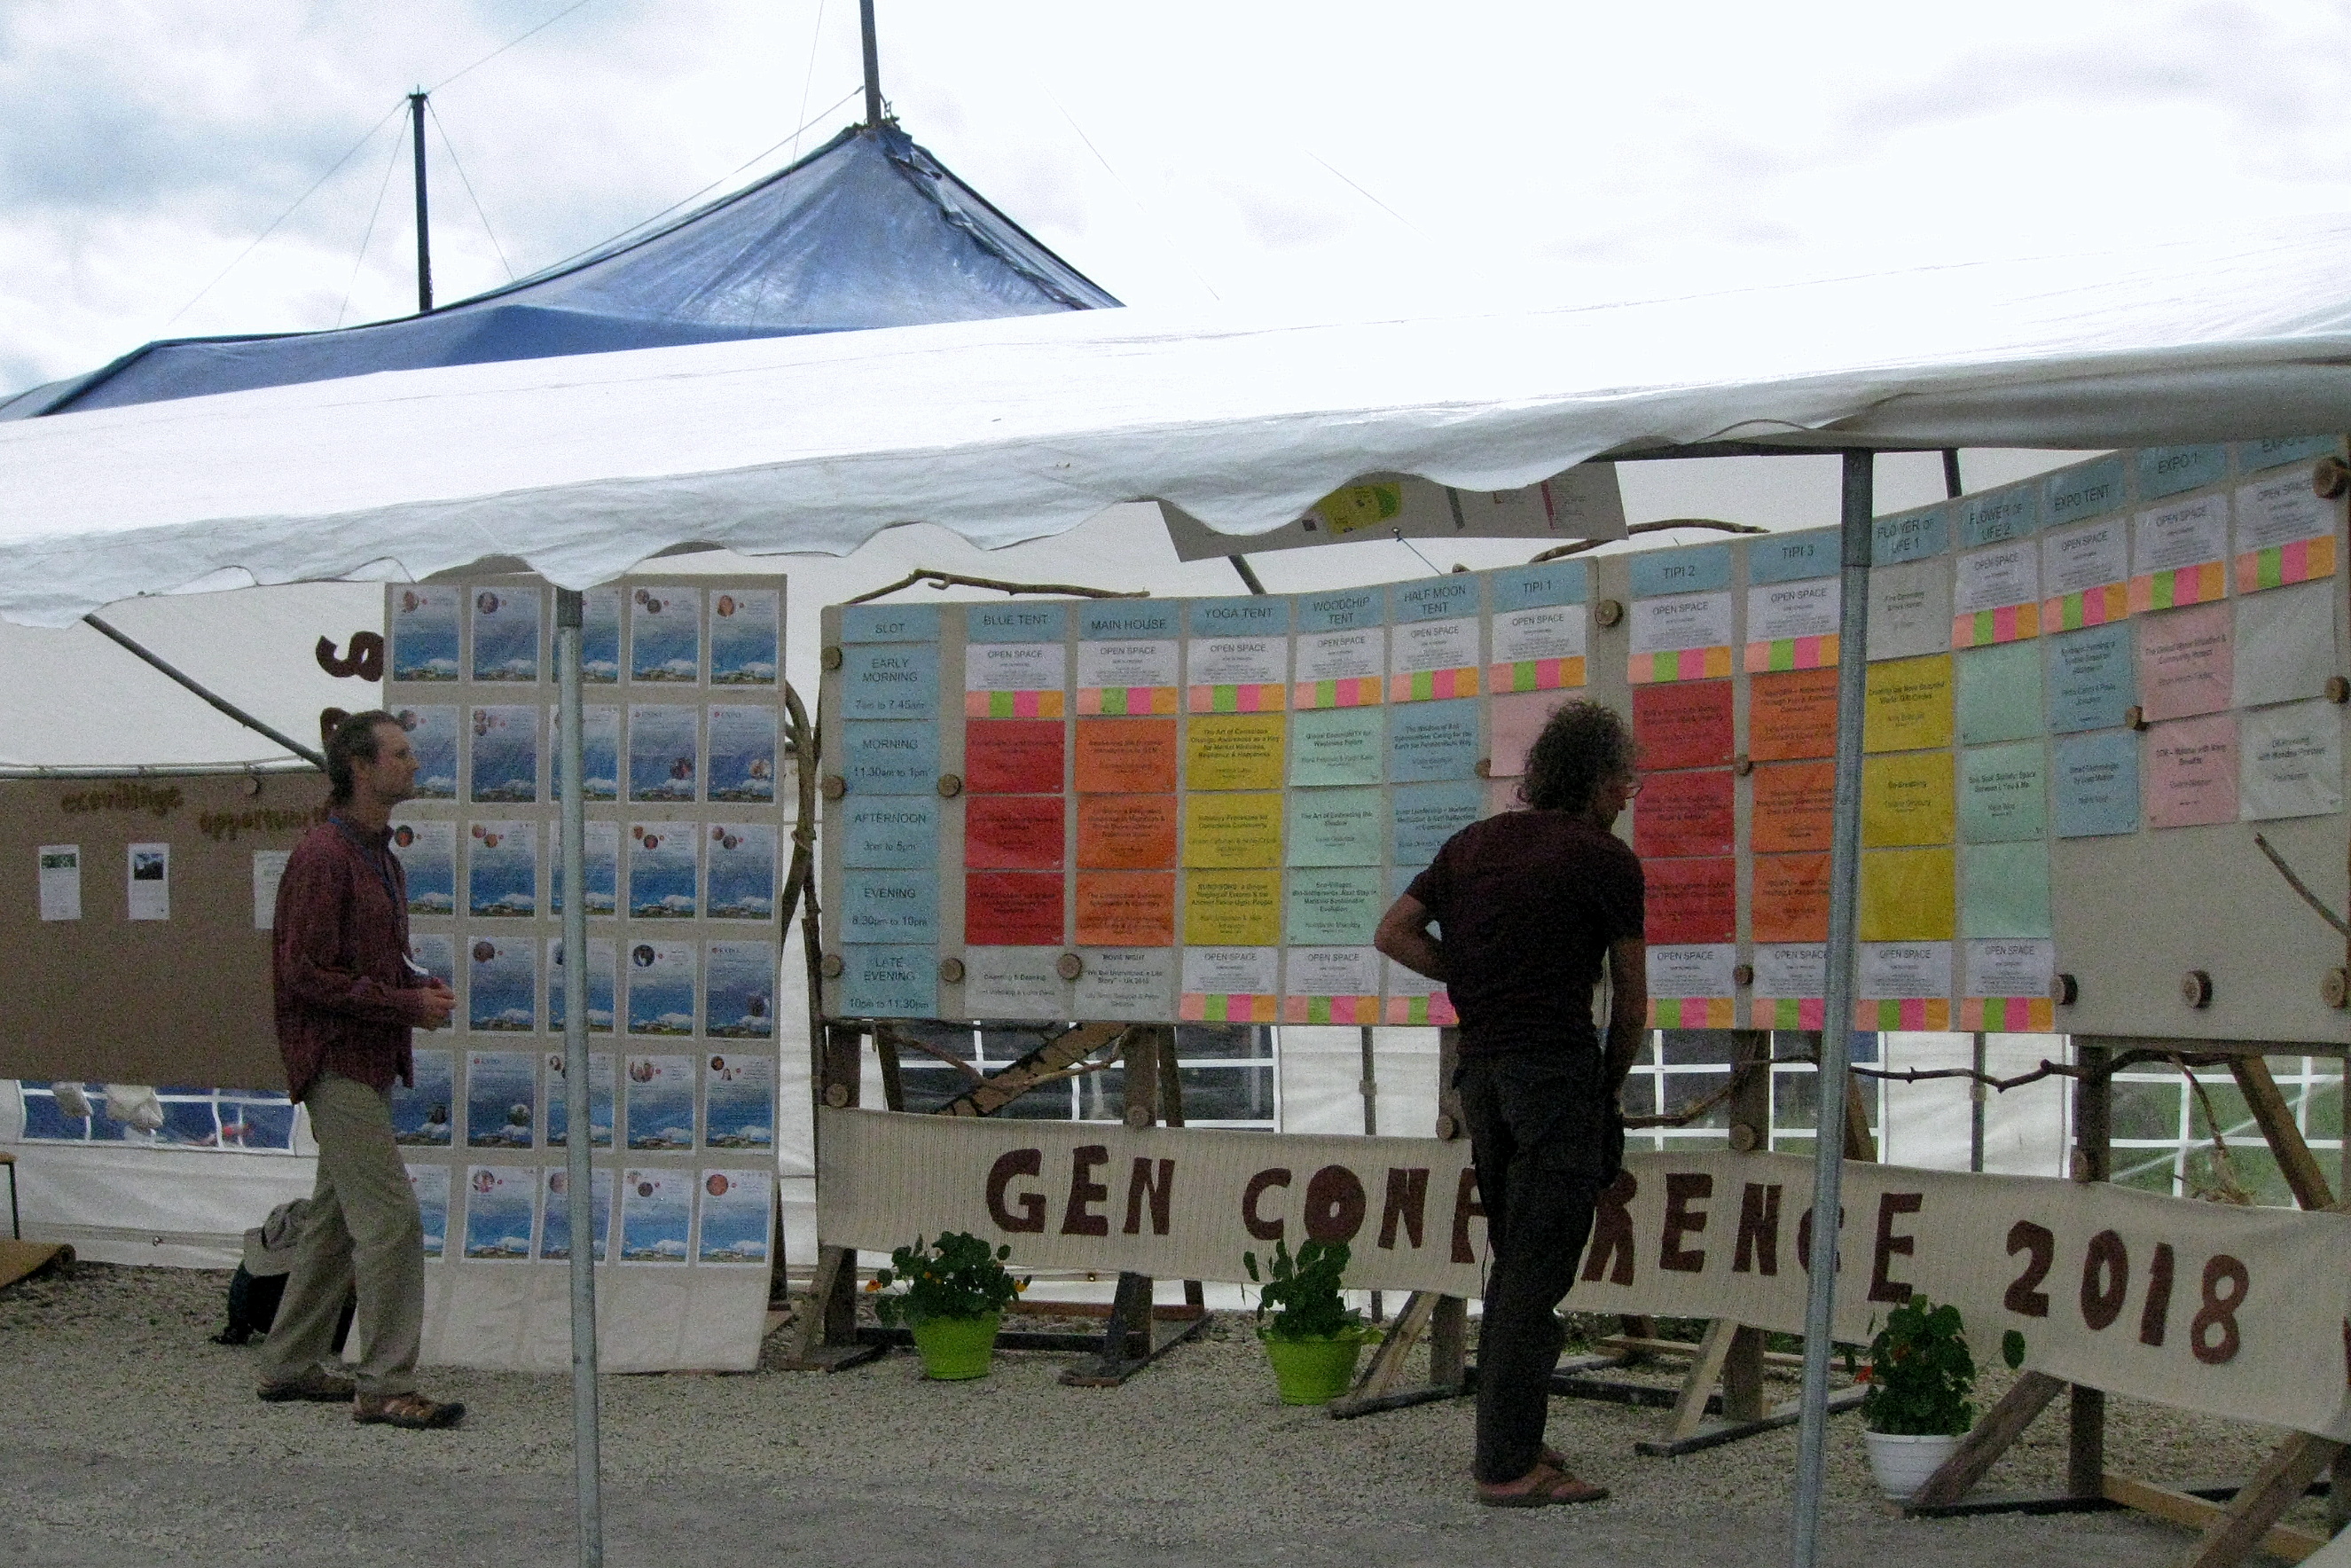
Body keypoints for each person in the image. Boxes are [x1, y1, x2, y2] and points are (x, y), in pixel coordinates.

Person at [1373, 699, 1646, 1507]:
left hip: (1483, 1077)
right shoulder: (1604, 858)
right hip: (1554, 1075)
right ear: (1594, 781)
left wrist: (1469, 978)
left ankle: (1510, 1437)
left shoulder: (1471, 844)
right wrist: (1606, 1088)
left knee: (1514, 1260)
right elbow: (1631, 1004)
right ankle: (1506, 1468)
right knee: (1537, 1271)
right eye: (1622, 780)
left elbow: (1393, 933)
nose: (1626, 795)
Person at [255, 710, 466, 1429]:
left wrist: (412, 989)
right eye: (399, 754)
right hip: (335, 1060)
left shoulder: (378, 856)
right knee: (391, 1221)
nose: (414, 764)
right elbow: (306, 973)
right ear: (360, 768)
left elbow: (360, 961)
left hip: (366, 1056)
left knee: (336, 1219)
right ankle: (384, 1384)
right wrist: (405, 1003)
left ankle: (288, 1363)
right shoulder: (324, 856)